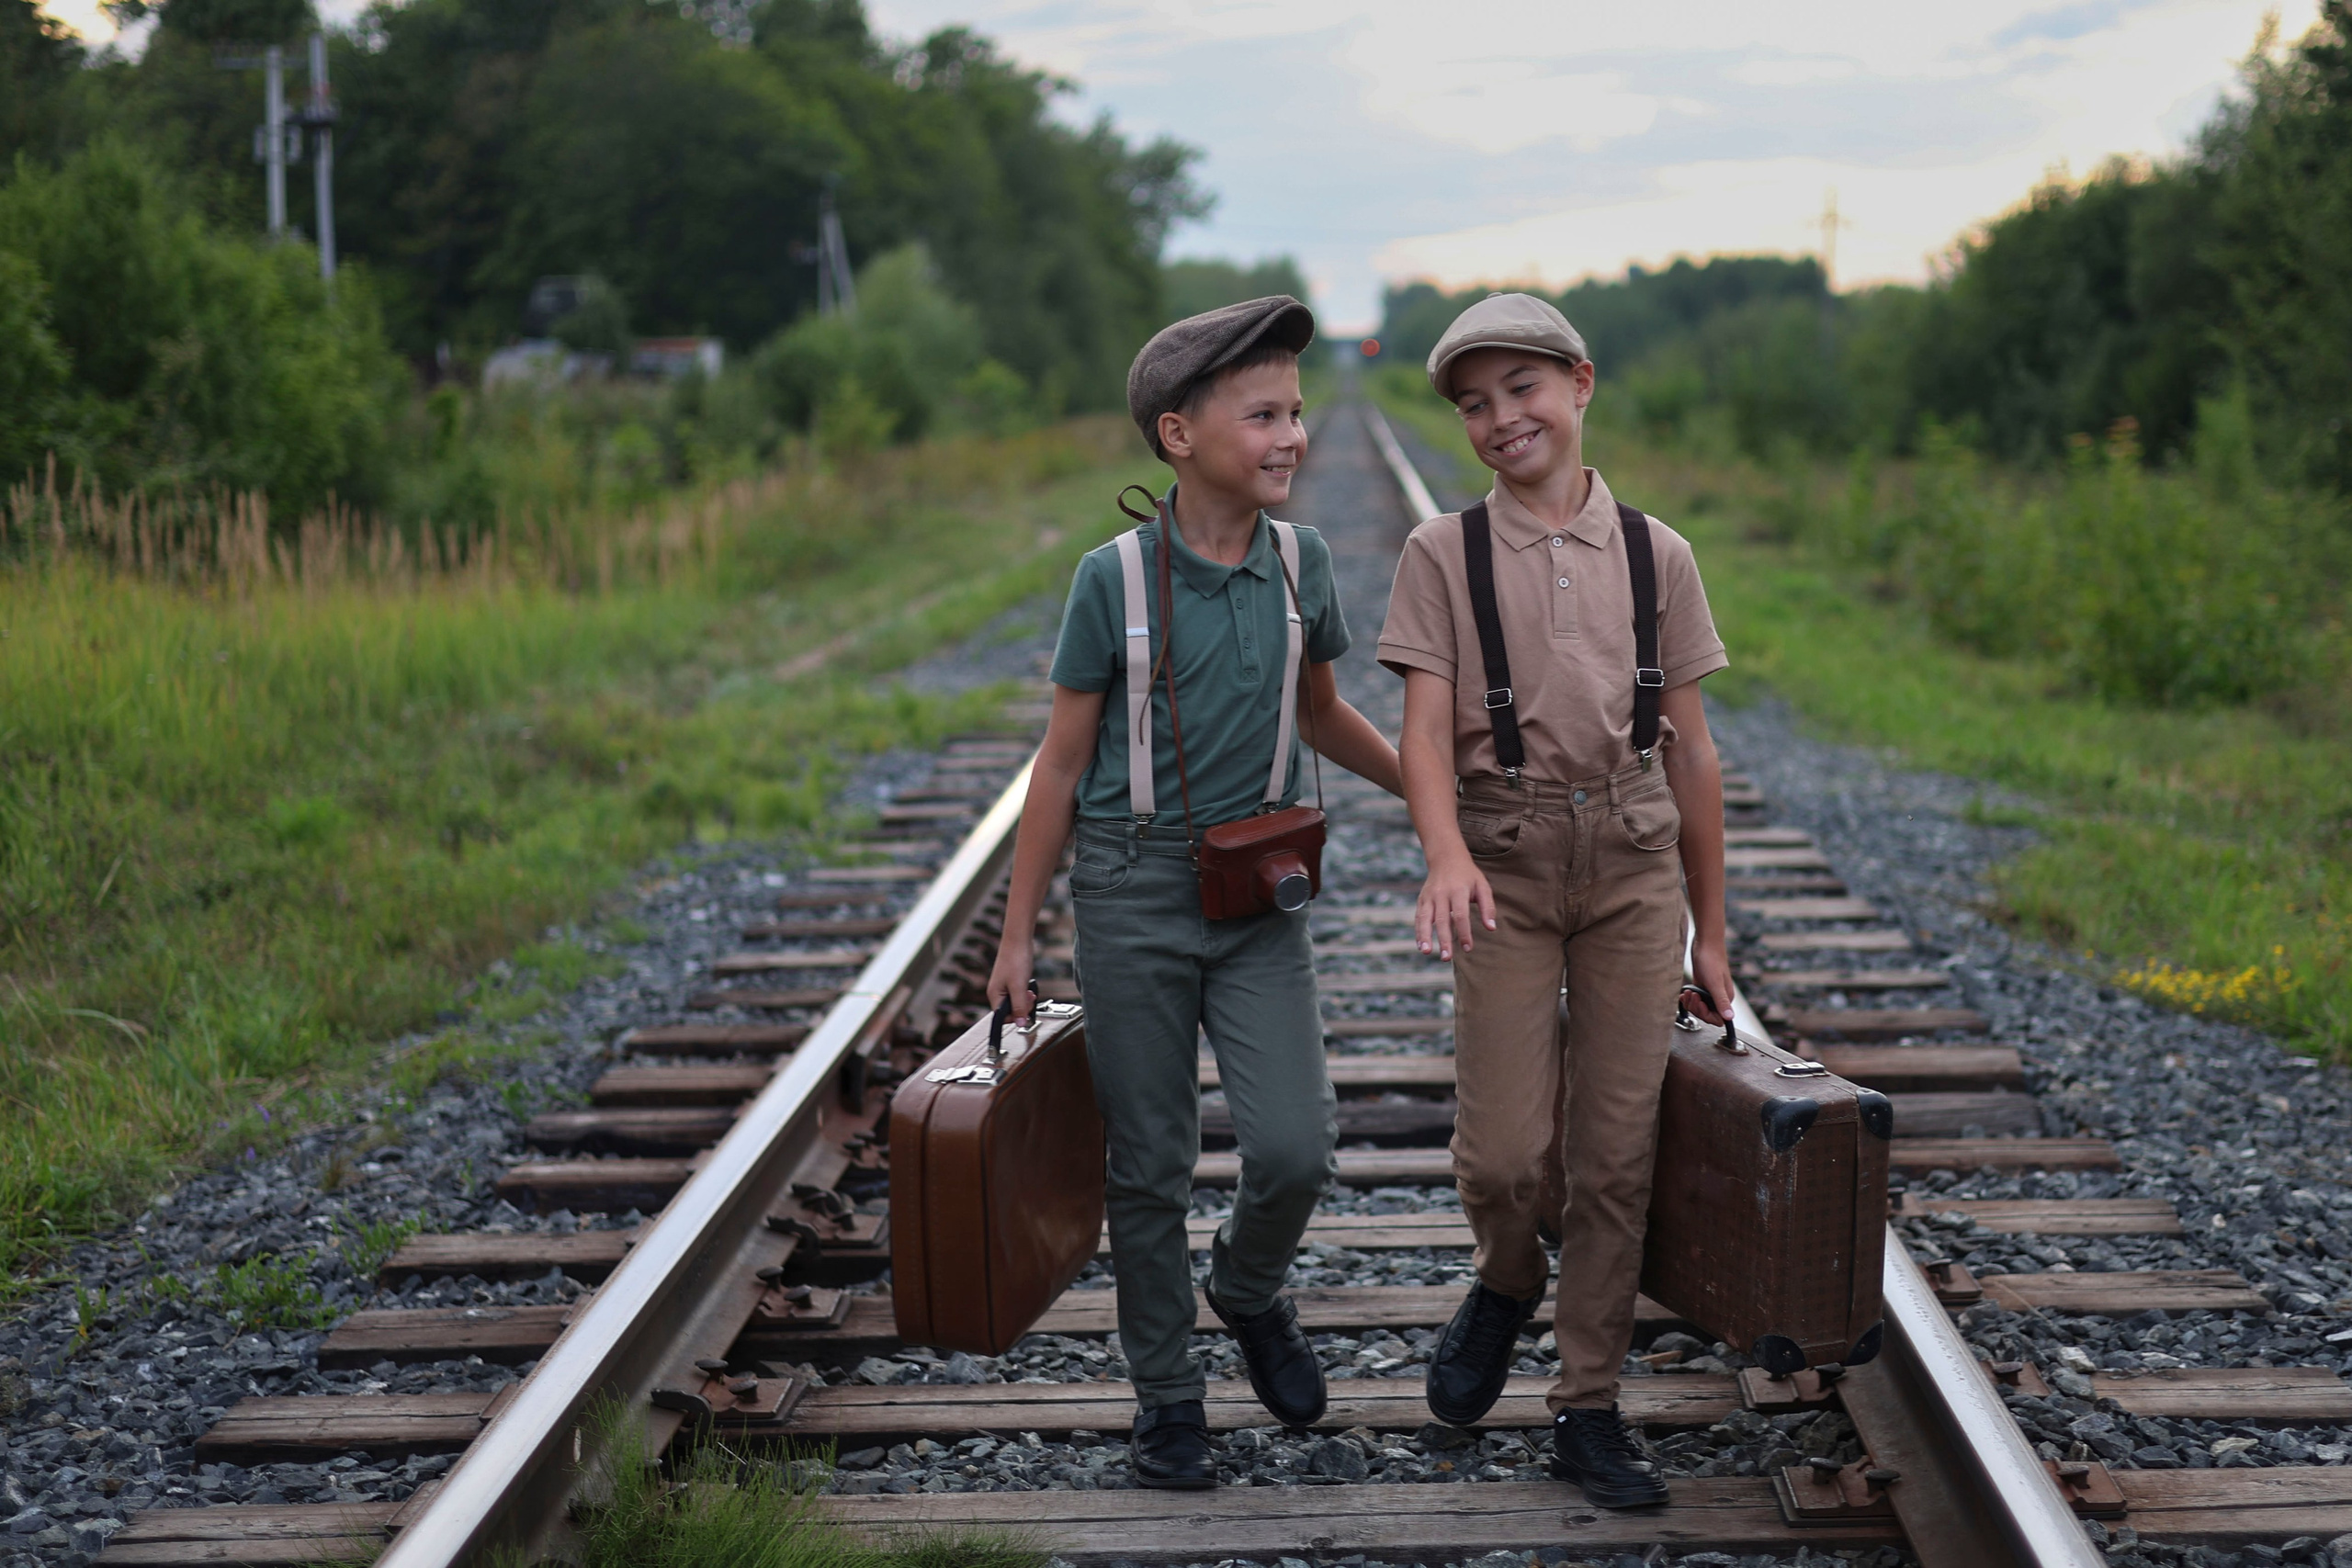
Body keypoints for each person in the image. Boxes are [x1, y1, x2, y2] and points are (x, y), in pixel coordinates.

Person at [987, 297, 1405, 1490]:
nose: (1293, 436)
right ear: (1180, 434)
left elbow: (1320, 711)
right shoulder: (1107, 579)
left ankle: (1249, 1288)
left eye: (1297, 412)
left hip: (1260, 891)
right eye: (1264, 415)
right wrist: (1020, 935)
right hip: (1131, 893)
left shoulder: (1298, 562)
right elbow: (1060, 765)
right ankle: (1168, 1394)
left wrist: (1429, 799)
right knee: (1150, 1164)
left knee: (1295, 1147)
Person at [1374, 292, 1734, 1509]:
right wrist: (1446, 854)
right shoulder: (1443, 555)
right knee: (1508, 1158)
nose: (1498, 418)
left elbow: (1692, 753)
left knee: (1616, 1156)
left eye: (1519, 388)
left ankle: (1588, 1407)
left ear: (1580, 384)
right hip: (1509, 865)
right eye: (1474, 403)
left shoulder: (1658, 553)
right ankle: (1508, 1273)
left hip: (1633, 868)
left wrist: (1712, 929)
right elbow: (1422, 736)